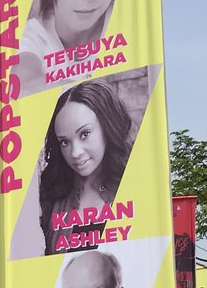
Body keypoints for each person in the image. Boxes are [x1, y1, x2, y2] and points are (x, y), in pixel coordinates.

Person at [38, 79, 135, 256]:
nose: (75, 153)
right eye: (64, 142)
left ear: (107, 126)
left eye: (84, 134)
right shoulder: (53, 196)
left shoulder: (135, 181)